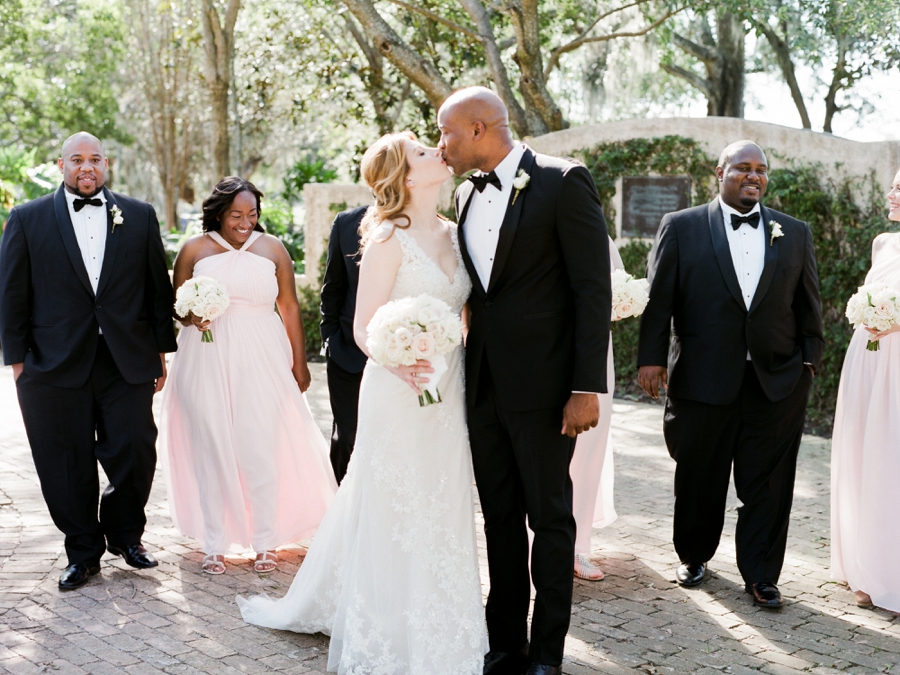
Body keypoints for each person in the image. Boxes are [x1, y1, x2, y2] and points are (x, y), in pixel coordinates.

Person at [237, 132, 487, 675]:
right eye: (422, 152)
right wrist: (403, 362)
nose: (435, 153)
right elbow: (363, 325)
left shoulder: (456, 229)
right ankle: (386, 620)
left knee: (441, 498)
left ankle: (444, 614)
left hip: (448, 390)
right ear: (403, 176)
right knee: (392, 500)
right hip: (397, 388)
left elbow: (466, 313)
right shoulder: (386, 239)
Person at [438, 87, 612, 675]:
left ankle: (547, 655)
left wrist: (586, 386)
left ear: (481, 129)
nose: (443, 145)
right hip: (482, 384)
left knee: (551, 520)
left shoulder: (564, 182)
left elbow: (593, 290)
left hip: (545, 390)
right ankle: (505, 645)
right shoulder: (463, 195)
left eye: (448, 133)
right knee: (500, 518)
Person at [637, 140, 824, 609]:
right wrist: (650, 359)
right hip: (702, 377)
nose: (753, 176)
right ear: (720, 172)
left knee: (769, 482)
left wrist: (808, 363)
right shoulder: (680, 227)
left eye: (761, 169)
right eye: (743, 168)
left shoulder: (794, 232)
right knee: (700, 471)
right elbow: (659, 300)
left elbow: (809, 307)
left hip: (776, 380)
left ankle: (761, 574)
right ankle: (694, 555)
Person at [0, 132, 177, 590]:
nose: (86, 167)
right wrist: (18, 363)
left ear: (107, 164)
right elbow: (11, 294)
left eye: (94, 159)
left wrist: (161, 351)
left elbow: (157, 287)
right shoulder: (26, 218)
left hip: (127, 360)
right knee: (64, 460)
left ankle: (126, 536)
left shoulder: (138, 216)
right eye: (76, 159)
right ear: (61, 165)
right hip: (52, 365)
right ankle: (82, 552)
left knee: (134, 449)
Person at [161, 177, 337, 575]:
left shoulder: (273, 248)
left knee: (259, 445)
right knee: (212, 446)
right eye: (236, 215)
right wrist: (192, 314)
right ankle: (214, 541)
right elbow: (177, 306)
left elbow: (289, 306)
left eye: (252, 214)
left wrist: (299, 361)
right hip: (206, 355)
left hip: (262, 355)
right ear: (219, 214)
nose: (245, 223)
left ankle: (266, 541)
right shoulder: (194, 248)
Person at [830, 167, 900, 612]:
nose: (892, 193)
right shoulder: (882, 243)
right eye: (893, 185)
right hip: (869, 357)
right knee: (863, 452)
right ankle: (864, 566)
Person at [570, 238, 623, 581]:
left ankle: (577, 546)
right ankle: (535, 541)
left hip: (591, 351)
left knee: (587, 451)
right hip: (540, 347)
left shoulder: (591, 231)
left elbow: (617, 289)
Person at [320, 205, 367, 483]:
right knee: (348, 434)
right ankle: (340, 505)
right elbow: (333, 287)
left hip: (406, 358)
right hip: (348, 353)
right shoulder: (347, 223)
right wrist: (332, 339)